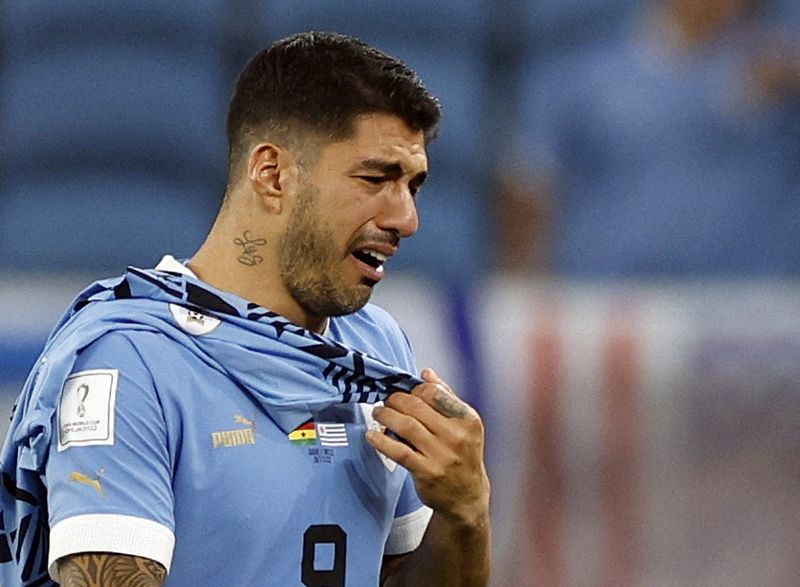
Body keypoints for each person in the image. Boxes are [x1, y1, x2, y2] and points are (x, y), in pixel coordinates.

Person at [0, 31, 491, 586]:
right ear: (273, 174)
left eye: (414, 186)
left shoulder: (376, 346)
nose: (406, 219)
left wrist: (464, 513)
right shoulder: (129, 362)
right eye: (376, 179)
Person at [497, 0, 800, 278]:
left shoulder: (778, 66)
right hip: (613, 303)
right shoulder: (589, 76)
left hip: (749, 312)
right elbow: (530, 187)